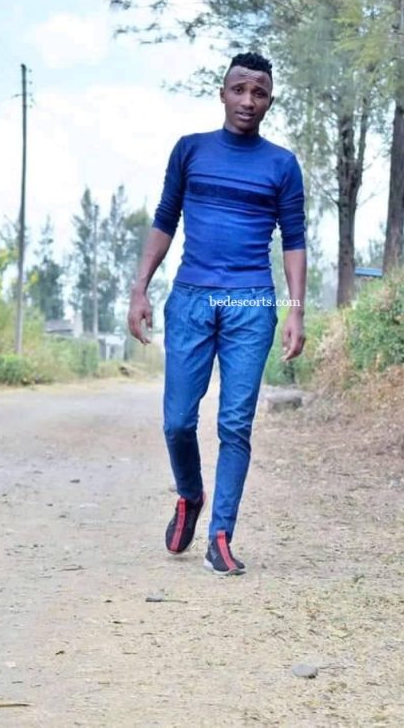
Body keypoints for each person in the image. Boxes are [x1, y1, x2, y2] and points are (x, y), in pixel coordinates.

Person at [127, 51, 306, 576]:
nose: (248, 100)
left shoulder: (282, 165)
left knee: (235, 424)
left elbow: (294, 241)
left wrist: (295, 311)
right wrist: (140, 289)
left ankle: (220, 536)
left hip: (252, 303)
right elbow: (165, 220)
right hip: (191, 299)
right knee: (178, 421)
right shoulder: (191, 151)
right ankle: (190, 494)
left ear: (270, 101)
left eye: (259, 93)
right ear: (223, 93)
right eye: (239, 89)